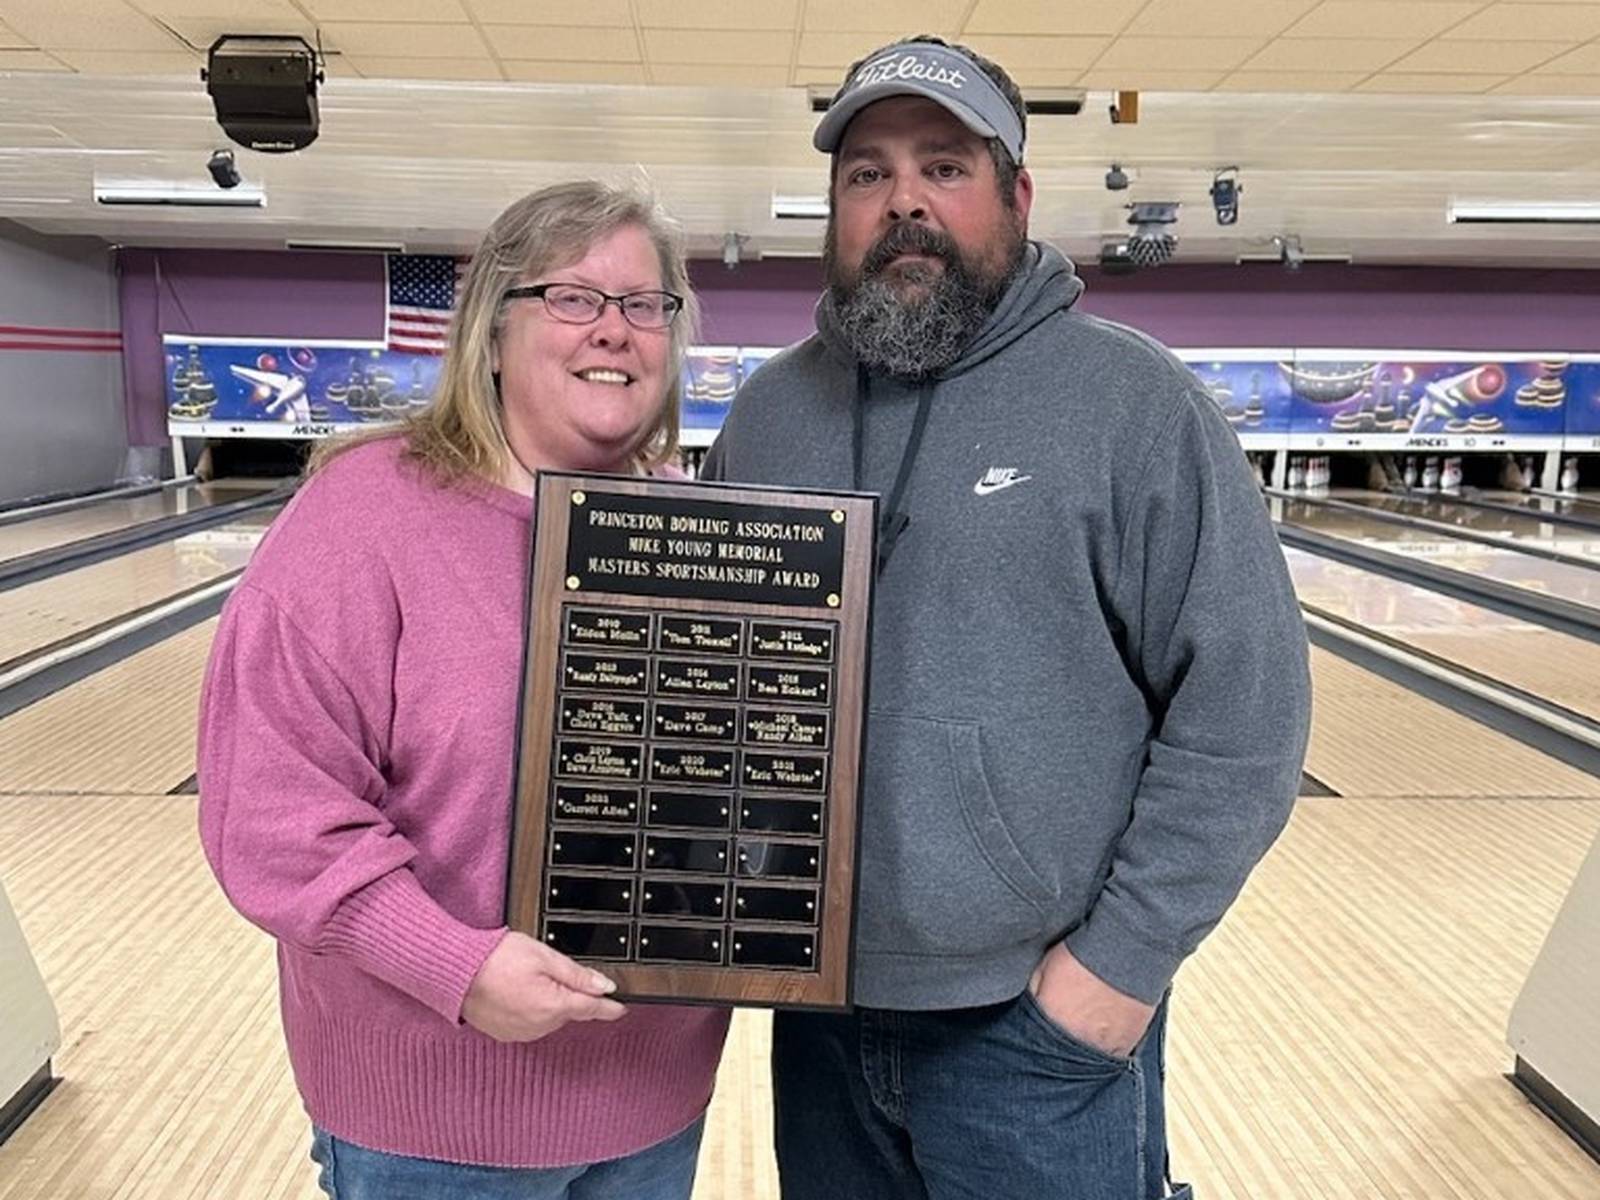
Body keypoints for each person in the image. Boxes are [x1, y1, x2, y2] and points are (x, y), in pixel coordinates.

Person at [703, 35, 1312, 1200]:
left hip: (1034, 1030)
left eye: (944, 167)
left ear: (1017, 197)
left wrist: (1116, 971)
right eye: (867, 174)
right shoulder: (772, 413)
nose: (904, 202)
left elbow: (1247, 717)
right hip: (818, 1017)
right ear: (834, 209)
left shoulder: (1133, 403)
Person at [197, 181, 730, 1200]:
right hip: (431, 1121)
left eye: (643, 303)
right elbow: (269, 816)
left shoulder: (696, 531)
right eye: (571, 297)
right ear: (491, 331)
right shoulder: (360, 518)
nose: (612, 329)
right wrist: (453, 964)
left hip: (653, 1097)